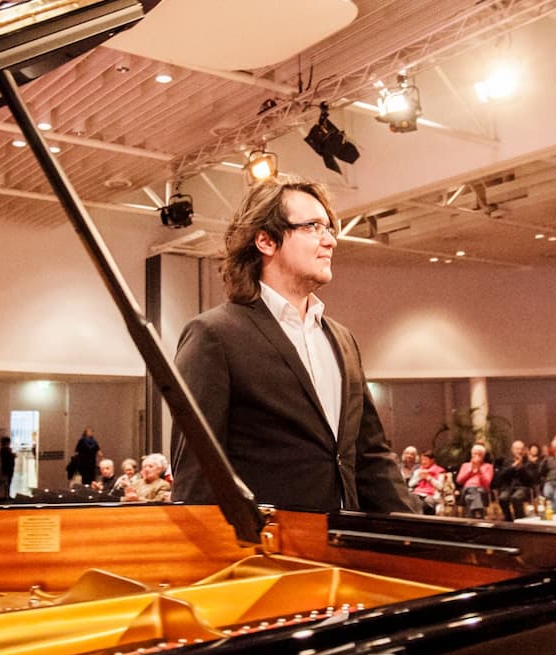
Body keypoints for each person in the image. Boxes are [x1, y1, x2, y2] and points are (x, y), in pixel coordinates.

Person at [170, 176, 415, 515]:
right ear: (266, 241)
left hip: (343, 549)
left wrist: (419, 537)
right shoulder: (214, 335)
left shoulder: (342, 340)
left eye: (329, 228)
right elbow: (197, 476)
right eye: (313, 226)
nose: (329, 240)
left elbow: (370, 456)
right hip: (269, 556)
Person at [491, 440, 535, 519]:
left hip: (523, 487)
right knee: (502, 498)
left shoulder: (528, 462)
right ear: (512, 450)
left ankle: (520, 520)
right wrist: (513, 466)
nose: (519, 451)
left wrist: (521, 468)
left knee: (516, 497)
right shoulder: (506, 462)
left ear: (524, 450)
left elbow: (531, 479)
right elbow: (502, 475)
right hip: (508, 487)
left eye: (521, 449)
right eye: (517, 449)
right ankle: (509, 519)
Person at [456, 443, 495, 518]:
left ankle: (473, 515)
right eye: (474, 454)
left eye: (479, 454)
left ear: (483, 456)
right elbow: (459, 481)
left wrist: (479, 470)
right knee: (471, 489)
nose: (476, 456)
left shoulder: (488, 467)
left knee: (470, 497)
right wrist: (470, 470)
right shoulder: (465, 465)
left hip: (482, 491)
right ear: (471, 454)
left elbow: (487, 483)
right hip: (466, 490)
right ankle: (479, 511)